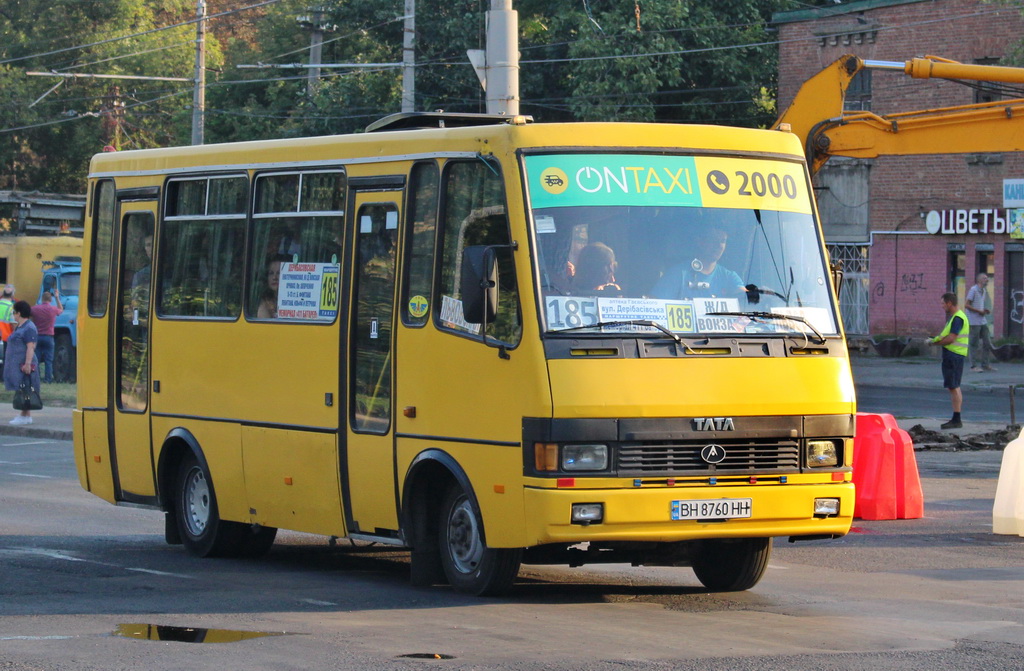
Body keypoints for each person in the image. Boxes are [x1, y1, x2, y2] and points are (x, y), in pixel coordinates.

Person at [650, 227, 746, 300]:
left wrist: (758, 294)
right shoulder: (678, 274)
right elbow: (654, 306)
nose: (719, 246)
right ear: (701, 242)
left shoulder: (729, 277)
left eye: (722, 241)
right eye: (714, 240)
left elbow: (747, 299)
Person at [929, 292, 969, 430]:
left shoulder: (957, 318)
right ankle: (956, 418)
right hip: (955, 355)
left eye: (942, 303)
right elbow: (946, 335)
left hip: (954, 355)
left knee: (954, 386)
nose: (942, 306)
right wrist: (935, 339)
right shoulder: (956, 317)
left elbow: (951, 338)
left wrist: (934, 343)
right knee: (954, 386)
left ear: (949, 303)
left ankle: (956, 419)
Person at [5, 301, 40, 425]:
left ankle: (24, 415)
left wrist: (28, 364)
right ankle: (25, 415)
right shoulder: (20, 327)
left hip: (24, 364)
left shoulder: (29, 327)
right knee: (23, 387)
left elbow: (31, 347)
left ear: (19, 313)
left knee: (26, 387)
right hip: (18, 364)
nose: (13, 315)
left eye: (14, 312)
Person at [964, 273, 995, 372]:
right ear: (979, 280)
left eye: (987, 278)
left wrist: (984, 310)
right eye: (985, 278)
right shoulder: (973, 290)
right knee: (974, 343)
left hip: (982, 320)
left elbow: (978, 305)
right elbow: (966, 305)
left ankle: (985, 364)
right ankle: (973, 366)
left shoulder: (984, 291)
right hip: (973, 321)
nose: (987, 280)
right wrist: (979, 311)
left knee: (987, 342)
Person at [31, 290, 63, 383]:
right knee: (49, 360)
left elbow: (28, 315)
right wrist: (57, 298)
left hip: (37, 337)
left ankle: (35, 378)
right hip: (49, 337)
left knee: (36, 358)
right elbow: (61, 310)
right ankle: (48, 379)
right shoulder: (53, 309)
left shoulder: (35, 309)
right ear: (50, 299)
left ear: (42, 299)